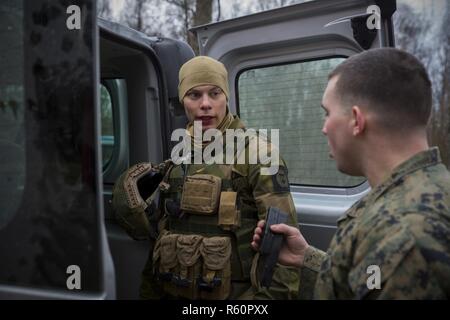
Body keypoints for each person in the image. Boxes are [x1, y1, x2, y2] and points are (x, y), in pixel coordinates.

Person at [252, 48, 450, 299]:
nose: (324, 128)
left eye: (327, 113)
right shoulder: (427, 190)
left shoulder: (403, 236)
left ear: (356, 120)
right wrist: (306, 258)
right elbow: (373, 281)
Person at [113, 56, 299, 299]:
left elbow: (283, 248)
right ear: (183, 101)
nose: (205, 104)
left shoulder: (260, 155)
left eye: (214, 93)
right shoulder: (179, 157)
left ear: (226, 98)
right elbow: (164, 237)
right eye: (194, 95)